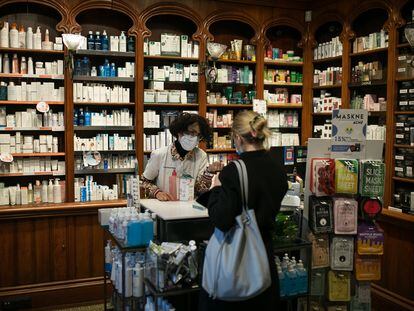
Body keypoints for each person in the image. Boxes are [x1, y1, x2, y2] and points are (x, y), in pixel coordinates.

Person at [198, 111, 288, 311]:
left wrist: (216, 188)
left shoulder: (234, 170)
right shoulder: (277, 167)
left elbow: (222, 219)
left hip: (238, 262)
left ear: (238, 137)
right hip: (263, 258)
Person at [142, 113, 223, 201]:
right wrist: (157, 192)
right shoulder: (160, 154)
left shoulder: (201, 156)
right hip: (164, 207)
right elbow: (144, 182)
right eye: (192, 132)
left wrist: (209, 173)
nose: (195, 138)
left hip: (188, 209)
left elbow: (200, 190)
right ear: (180, 132)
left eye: (198, 135)